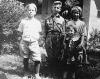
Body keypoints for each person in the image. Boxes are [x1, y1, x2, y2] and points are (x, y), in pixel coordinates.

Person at [17, 3, 42, 79]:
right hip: (25, 42)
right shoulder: (23, 21)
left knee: (37, 58)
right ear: (26, 11)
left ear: (35, 12)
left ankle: (36, 74)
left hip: (34, 42)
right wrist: (19, 41)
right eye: (29, 10)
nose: (30, 11)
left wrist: (39, 41)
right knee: (25, 57)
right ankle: (26, 73)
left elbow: (39, 32)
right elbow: (19, 32)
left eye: (32, 10)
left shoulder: (37, 22)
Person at [64, 6, 87, 79]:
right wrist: (66, 42)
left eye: (77, 13)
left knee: (77, 59)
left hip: (78, 43)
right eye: (74, 13)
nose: (76, 14)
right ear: (72, 13)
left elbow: (83, 34)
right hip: (70, 43)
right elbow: (66, 33)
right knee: (68, 58)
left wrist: (81, 43)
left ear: (79, 13)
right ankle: (65, 74)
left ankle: (74, 74)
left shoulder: (82, 23)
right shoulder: (69, 22)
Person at [44, 0, 65, 76]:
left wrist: (63, 42)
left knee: (57, 55)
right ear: (52, 8)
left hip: (58, 38)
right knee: (50, 55)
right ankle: (50, 72)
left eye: (58, 8)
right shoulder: (47, 19)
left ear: (60, 9)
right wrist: (44, 41)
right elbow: (45, 31)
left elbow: (63, 32)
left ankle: (56, 73)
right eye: (54, 7)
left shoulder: (62, 20)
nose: (56, 9)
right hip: (49, 37)